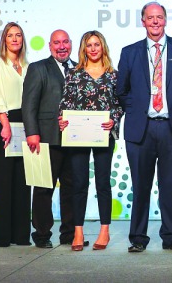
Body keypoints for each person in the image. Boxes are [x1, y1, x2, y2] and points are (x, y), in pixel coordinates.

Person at [115, 2, 172, 253]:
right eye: (150, 18)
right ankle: (138, 238)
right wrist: (138, 108)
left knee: (170, 185)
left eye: (159, 17)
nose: (155, 22)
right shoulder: (130, 52)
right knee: (140, 186)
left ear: (165, 20)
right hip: (142, 129)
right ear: (142, 21)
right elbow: (122, 90)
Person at [57, 31, 123, 251]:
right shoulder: (74, 74)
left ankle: (105, 231)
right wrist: (62, 120)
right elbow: (64, 103)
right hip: (78, 135)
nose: (93, 49)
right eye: (89, 45)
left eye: (97, 45)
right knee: (79, 183)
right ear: (83, 49)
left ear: (103, 47)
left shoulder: (114, 75)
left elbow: (120, 104)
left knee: (103, 182)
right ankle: (78, 232)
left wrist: (113, 120)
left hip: (103, 134)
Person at [22, 29, 76, 248]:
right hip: (46, 137)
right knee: (44, 188)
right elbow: (29, 104)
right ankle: (42, 234)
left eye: (65, 42)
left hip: (74, 139)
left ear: (71, 44)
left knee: (72, 188)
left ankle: (70, 234)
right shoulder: (38, 68)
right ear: (49, 45)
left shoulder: (79, 69)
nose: (61, 46)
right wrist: (32, 132)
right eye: (57, 43)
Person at [0, 22, 32, 247]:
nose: (15, 39)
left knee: (23, 180)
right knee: (4, 180)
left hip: (26, 123)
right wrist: (4, 122)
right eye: (10, 36)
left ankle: (21, 234)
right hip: (6, 122)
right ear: (4, 40)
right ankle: (2, 236)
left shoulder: (28, 65)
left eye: (18, 35)